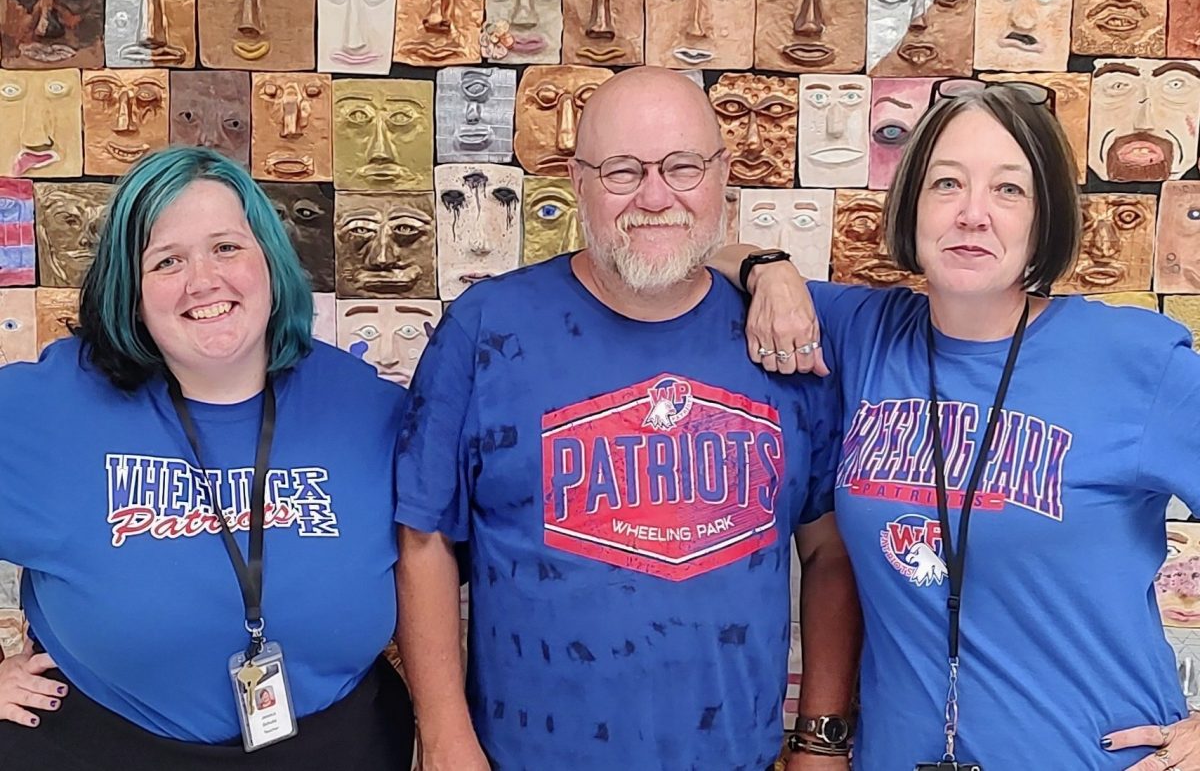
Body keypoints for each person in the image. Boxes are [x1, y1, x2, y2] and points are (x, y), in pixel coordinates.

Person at [714, 81, 1200, 769]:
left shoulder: (1136, 361)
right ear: (910, 207)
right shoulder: (864, 333)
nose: (972, 214)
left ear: (1045, 219)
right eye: (947, 184)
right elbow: (704, 256)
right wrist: (771, 270)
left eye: (1009, 190)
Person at [394, 67, 861, 771]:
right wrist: (446, 739)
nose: (654, 196)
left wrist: (821, 743)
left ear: (723, 176)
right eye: (621, 171)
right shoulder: (487, 327)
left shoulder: (782, 339)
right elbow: (423, 536)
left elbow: (829, 551)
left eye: (682, 167)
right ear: (578, 180)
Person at [0, 147, 414, 770]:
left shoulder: (371, 409)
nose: (203, 281)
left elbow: (441, 572)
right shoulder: (43, 409)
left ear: (269, 260)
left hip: (337, 746)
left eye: (226, 247)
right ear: (130, 290)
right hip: (104, 748)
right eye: (167, 260)